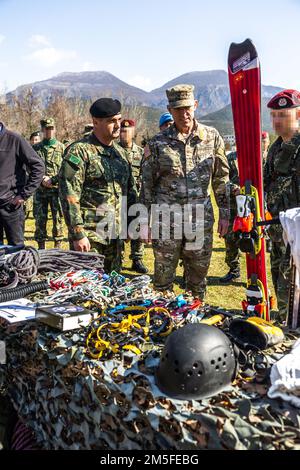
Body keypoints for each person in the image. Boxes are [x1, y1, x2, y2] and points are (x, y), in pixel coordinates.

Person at [140, 84, 229, 299]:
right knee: (162, 284)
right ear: (170, 110)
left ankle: (194, 326)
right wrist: (144, 222)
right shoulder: (158, 142)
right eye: (178, 109)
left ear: (195, 105)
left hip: (199, 221)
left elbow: (221, 178)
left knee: (197, 282)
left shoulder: (211, 136)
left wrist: (225, 213)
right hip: (166, 222)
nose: (184, 113)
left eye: (187, 107)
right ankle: (163, 327)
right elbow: (147, 184)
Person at [59, 98, 137, 274]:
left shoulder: (121, 154)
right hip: (90, 238)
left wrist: (131, 223)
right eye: (111, 121)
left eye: (119, 119)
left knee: (112, 289)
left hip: (115, 237)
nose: (118, 125)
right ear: (95, 122)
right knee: (86, 290)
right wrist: (77, 233)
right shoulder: (79, 151)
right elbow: (69, 195)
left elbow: (130, 192)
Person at [264, 89, 300, 321]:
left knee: (293, 292)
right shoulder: (275, 149)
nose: (277, 120)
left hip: (297, 236)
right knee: (279, 283)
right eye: (274, 115)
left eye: (283, 115)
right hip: (278, 234)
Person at [0, 121, 44, 245]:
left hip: (11, 206)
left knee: (16, 252)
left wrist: (23, 195)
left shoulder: (14, 140)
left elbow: (38, 167)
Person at [119, 119, 148, 273]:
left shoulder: (141, 152)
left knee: (136, 227)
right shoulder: (114, 151)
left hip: (136, 197)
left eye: (128, 130)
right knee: (119, 228)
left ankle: (137, 259)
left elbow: (146, 174)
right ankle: (118, 258)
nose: (125, 133)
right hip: (118, 198)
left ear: (133, 132)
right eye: (122, 130)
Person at [33, 118, 65, 249]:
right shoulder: (35, 149)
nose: (49, 131)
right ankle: (41, 249)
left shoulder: (62, 148)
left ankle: (57, 248)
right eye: (46, 129)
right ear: (42, 130)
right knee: (40, 220)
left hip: (57, 191)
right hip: (40, 191)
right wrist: (41, 179)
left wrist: (53, 180)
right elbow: (29, 168)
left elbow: (66, 170)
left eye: (51, 128)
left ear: (55, 129)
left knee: (58, 220)